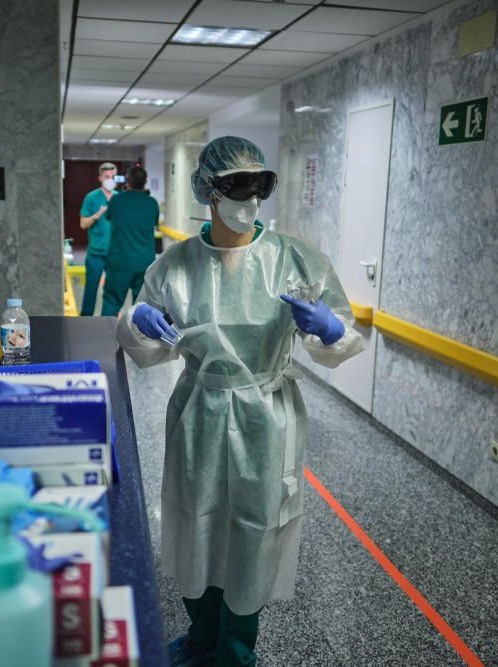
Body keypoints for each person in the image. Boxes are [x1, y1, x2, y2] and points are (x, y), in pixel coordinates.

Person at [116, 136, 364, 666]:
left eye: (260, 185)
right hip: (199, 412)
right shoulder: (175, 264)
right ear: (209, 190)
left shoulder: (294, 260)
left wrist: (329, 328)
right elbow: (143, 340)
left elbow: (341, 341)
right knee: (194, 520)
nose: (250, 198)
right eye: (238, 185)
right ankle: (201, 635)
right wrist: (136, 319)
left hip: (266, 418)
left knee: (253, 531)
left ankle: (234, 649)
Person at [100, 165, 159, 317]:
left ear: (127, 182)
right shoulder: (152, 203)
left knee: (112, 303)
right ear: (144, 182)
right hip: (144, 263)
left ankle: (105, 337)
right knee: (142, 306)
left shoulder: (117, 200)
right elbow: (155, 222)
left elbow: (108, 218)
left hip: (120, 262)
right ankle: (137, 340)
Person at [78, 162, 117, 316]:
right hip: (96, 253)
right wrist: (96, 216)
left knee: (113, 291)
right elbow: (83, 224)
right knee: (91, 289)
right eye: (107, 176)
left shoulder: (119, 198)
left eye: (113, 176)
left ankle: (109, 322)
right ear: (100, 178)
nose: (110, 180)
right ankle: (85, 320)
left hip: (114, 254)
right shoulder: (92, 197)